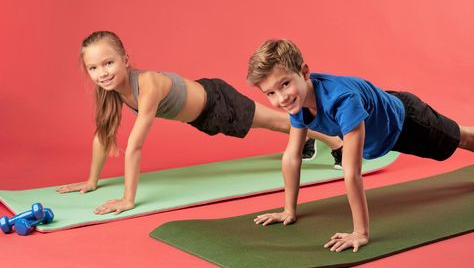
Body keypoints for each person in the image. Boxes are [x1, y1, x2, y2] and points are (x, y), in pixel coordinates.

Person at [247, 39, 474, 253]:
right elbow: (292, 157)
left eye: (284, 84)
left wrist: (360, 233)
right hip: (384, 123)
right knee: (454, 141)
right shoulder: (297, 105)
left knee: (456, 139)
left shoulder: (342, 101)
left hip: (408, 122)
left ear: (304, 72)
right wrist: (288, 210)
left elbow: (352, 172)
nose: (281, 98)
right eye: (270, 92)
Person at [56, 31, 342, 215]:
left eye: (109, 63)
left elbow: (135, 146)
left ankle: (335, 143)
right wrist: (92, 181)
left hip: (218, 104)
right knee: (281, 123)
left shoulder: (147, 83)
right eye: (93, 68)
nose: (102, 73)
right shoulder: (114, 91)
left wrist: (128, 199)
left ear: (125, 60)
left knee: (281, 123)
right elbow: (102, 135)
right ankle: (308, 140)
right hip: (204, 115)